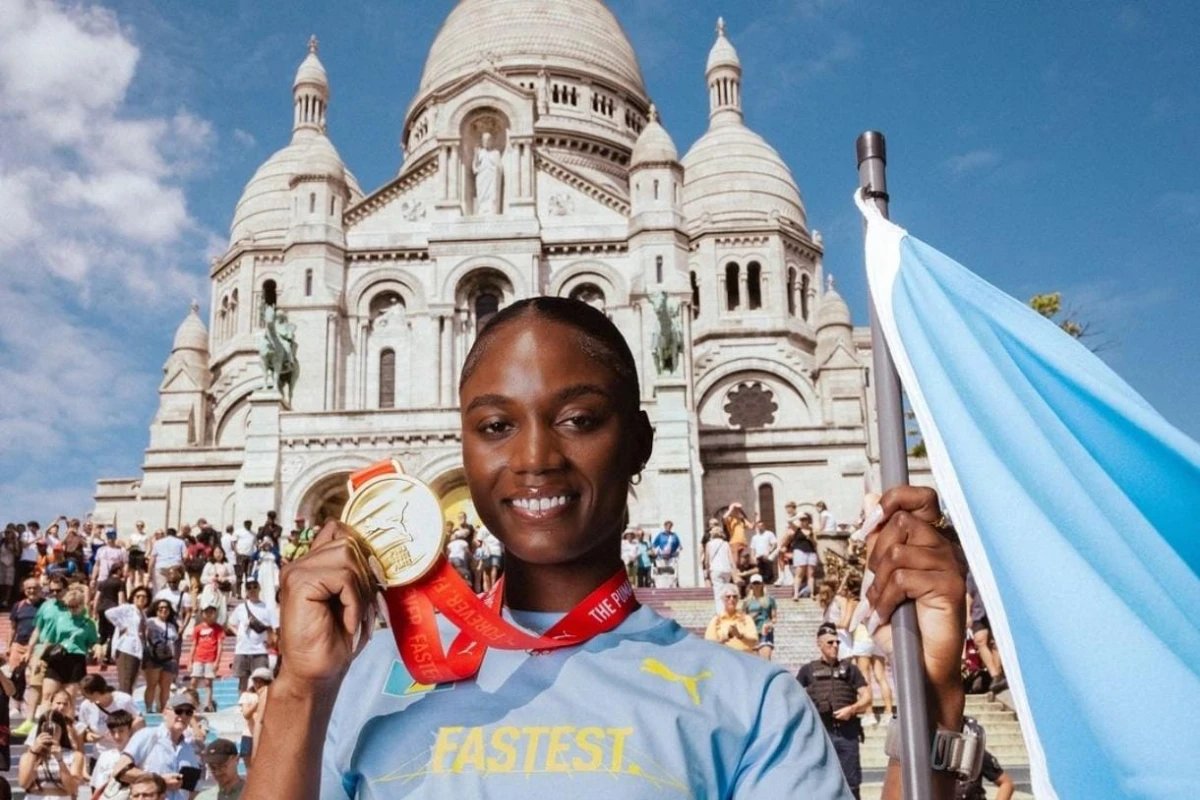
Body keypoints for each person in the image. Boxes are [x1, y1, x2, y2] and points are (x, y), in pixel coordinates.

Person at [246, 298, 969, 800]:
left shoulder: (748, 703)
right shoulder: (372, 679)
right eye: (495, 425)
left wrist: (933, 691)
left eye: (579, 418)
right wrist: (298, 690)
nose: (534, 457)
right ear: (464, 449)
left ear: (638, 442)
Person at [797, 622, 873, 799]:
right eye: (830, 643)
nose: (835, 646)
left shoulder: (850, 669)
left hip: (847, 733)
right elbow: (795, 698)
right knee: (819, 782)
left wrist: (852, 709)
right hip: (821, 734)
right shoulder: (808, 671)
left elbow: (867, 696)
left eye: (837, 642)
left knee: (852, 783)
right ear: (820, 644)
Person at [113, 692, 201, 800]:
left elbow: (192, 791)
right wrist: (159, 780)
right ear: (164, 713)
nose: (183, 716)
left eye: (188, 712)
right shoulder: (147, 735)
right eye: (178, 711)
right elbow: (119, 771)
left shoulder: (189, 750)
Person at [39, 587, 97, 703]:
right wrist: (41, 658)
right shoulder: (59, 618)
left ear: (82, 604)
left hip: (76, 659)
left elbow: (93, 642)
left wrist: (97, 649)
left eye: (76, 606)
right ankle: (45, 720)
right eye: (70, 606)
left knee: (69, 697)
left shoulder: (89, 623)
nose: (73, 609)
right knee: (47, 694)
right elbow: (50, 639)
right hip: (57, 656)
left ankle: (67, 720)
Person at [17, 710, 84, 798]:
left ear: (62, 730)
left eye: (55, 729)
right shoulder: (28, 756)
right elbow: (24, 783)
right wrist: (34, 752)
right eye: (46, 729)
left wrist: (60, 760)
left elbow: (72, 789)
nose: (51, 733)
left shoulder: (75, 756)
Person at [227, 580, 277, 694]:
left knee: (262, 681)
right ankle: (241, 706)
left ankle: (260, 705)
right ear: (246, 591)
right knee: (242, 680)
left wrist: (271, 641)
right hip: (242, 649)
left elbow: (274, 628)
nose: (252, 590)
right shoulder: (241, 608)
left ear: (259, 589)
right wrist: (237, 634)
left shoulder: (267, 608)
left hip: (260, 650)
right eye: (249, 588)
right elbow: (230, 623)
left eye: (255, 587)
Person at [77, 674, 144, 755]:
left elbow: (140, 720)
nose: (83, 697)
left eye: (84, 695)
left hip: (126, 752)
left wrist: (124, 733)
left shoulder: (124, 700)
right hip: (100, 754)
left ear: (95, 693)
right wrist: (88, 734)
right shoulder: (86, 706)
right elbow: (82, 727)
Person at [965, 572, 1006, 693]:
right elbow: (969, 595)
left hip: (995, 611)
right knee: (979, 640)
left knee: (995, 643)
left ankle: (998, 677)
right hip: (978, 612)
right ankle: (995, 675)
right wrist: (967, 614)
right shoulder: (972, 574)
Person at [107, 585, 151, 695]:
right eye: (138, 596)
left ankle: (127, 708)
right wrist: (122, 626)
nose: (141, 599)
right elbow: (109, 613)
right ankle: (123, 710)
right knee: (125, 682)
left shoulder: (143, 614)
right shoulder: (128, 608)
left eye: (144, 597)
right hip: (126, 648)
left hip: (137, 649)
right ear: (133, 597)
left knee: (131, 682)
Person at [143, 599, 180, 714]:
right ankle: (149, 708)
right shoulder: (150, 622)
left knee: (166, 686)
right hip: (154, 656)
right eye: (160, 608)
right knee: (152, 684)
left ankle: (163, 708)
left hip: (168, 658)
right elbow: (144, 635)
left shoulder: (172, 626)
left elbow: (174, 642)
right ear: (156, 610)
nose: (163, 610)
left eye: (166, 608)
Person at [88, 708, 136, 796]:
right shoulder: (104, 756)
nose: (117, 736)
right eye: (113, 732)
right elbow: (97, 788)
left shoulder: (138, 755)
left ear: (129, 730)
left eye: (121, 731)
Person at [189, 604, 226, 712]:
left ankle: (208, 704)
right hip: (198, 658)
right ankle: (191, 701)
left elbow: (220, 645)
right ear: (202, 614)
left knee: (208, 682)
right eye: (206, 612)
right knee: (194, 681)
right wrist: (190, 661)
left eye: (211, 612)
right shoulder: (198, 628)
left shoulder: (218, 628)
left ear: (215, 614)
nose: (209, 615)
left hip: (210, 659)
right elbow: (194, 644)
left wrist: (217, 661)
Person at [704, 584, 759, 652]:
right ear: (722, 599)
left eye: (734, 596)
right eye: (728, 596)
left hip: (743, 659)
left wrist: (740, 635)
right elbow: (708, 646)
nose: (731, 599)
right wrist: (721, 641)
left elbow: (754, 641)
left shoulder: (746, 619)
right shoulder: (716, 620)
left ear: (738, 599)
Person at [237, 668, 273, 770]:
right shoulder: (247, 696)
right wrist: (258, 702)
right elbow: (246, 714)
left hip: (265, 735)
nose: (258, 684)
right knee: (249, 766)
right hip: (249, 734)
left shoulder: (272, 696)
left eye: (262, 681)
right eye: (256, 680)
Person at [92, 562, 126, 665]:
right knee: (112, 634)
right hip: (113, 610)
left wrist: (94, 610)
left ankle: (96, 653)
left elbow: (97, 597)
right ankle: (107, 656)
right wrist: (122, 612)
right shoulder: (120, 583)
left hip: (102, 609)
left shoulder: (103, 582)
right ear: (118, 570)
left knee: (102, 634)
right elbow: (121, 598)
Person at [742, 574, 778, 660]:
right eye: (754, 583)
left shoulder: (770, 599)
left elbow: (774, 617)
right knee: (753, 659)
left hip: (765, 630)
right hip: (752, 631)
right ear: (751, 585)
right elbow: (742, 618)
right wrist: (751, 618)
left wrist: (771, 624)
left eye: (758, 583)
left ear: (762, 584)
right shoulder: (746, 601)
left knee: (765, 658)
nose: (756, 586)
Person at [199, 547, 235, 626]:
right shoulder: (209, 564)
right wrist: (211, 579)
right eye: (216, 552)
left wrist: (225, 579)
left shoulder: (228, 564)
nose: (218, 555)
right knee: (209, 607)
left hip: (222, 591)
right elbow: (202, 578)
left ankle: (220, 627)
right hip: (210, 591)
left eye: (220, 552)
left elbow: (233, 578)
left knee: (221, 610)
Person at [788, 514, 819, 600]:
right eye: (801, 520)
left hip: (811, 551)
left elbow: (816, 543)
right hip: (800, 551)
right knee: (799, 573)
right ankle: (796, 594)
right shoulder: (797, 529)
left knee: (811, 574)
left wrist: (811, 539)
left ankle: (812, 593)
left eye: (805, 519)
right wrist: (797, 516)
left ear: (808, 521)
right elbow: (789, 521)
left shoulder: (812, 530)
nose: (803, 521)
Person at [705, 526, 733, 613]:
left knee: (718, 592)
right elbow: (731, 558)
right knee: (725, 590)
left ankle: (720, 613)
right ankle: (727, 609)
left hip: (716, 569)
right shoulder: (726, 543)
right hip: (727, 569)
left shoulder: (709, 544)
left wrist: (707, 570)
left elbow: (707, 560)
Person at [149, 527, 186, 592]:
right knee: (175, 587)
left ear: (166, 534)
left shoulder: (158, 542)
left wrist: (149, 572)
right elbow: (185, 556)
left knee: (160, 588)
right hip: (175, 566)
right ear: (175, 534)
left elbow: (152, 558)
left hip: (161, 566)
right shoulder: (181, 542)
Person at [252, 538, 281, 614]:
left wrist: (272, 546)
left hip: (272, 574)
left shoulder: (273, 553)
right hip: (263, 574)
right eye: (265, 545)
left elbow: (278, 556)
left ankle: (272, 607)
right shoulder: (260, 553)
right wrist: (259, 548)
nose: (266, 546)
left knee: (271, 590)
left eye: (268, 545)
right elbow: (253, 557)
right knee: (262, 589)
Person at [749, 519, 779, 585]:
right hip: (758, 557)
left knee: (768, 571)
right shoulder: (755, 537)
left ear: (764, 525)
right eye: (758, 525)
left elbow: (774, 544)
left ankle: (770, 583)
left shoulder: (769, 534)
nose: (760, 527)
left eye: (761, 525)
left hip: (766, 556)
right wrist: (752, 557)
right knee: (760, 572)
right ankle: (762, 584)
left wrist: (769, 551)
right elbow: (752, 548)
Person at [233, 522, 256, 597]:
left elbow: (256, 544)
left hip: (250, 556)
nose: (248, 524)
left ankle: (248, 593)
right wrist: (236, 552)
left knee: (249, 576)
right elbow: (233, 542)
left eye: (249, 523)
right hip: (241, 556)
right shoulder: (239, 532)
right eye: (247, 523)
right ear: (244, 524)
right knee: (239, 575)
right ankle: (238, 593)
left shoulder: (253, 534)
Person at [127, 521, 149, 590]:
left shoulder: (146, 536)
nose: (139, 527)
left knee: (140, 572)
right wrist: (131, 547)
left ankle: (139, 587)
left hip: (141, 553)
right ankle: (132, 588)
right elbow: (128, 545)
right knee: (131, 572)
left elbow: (149, 547)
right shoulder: (132, 535)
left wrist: (146, 555)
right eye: (138, 526)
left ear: (143, 527)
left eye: (141, 526)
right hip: (133, 552)